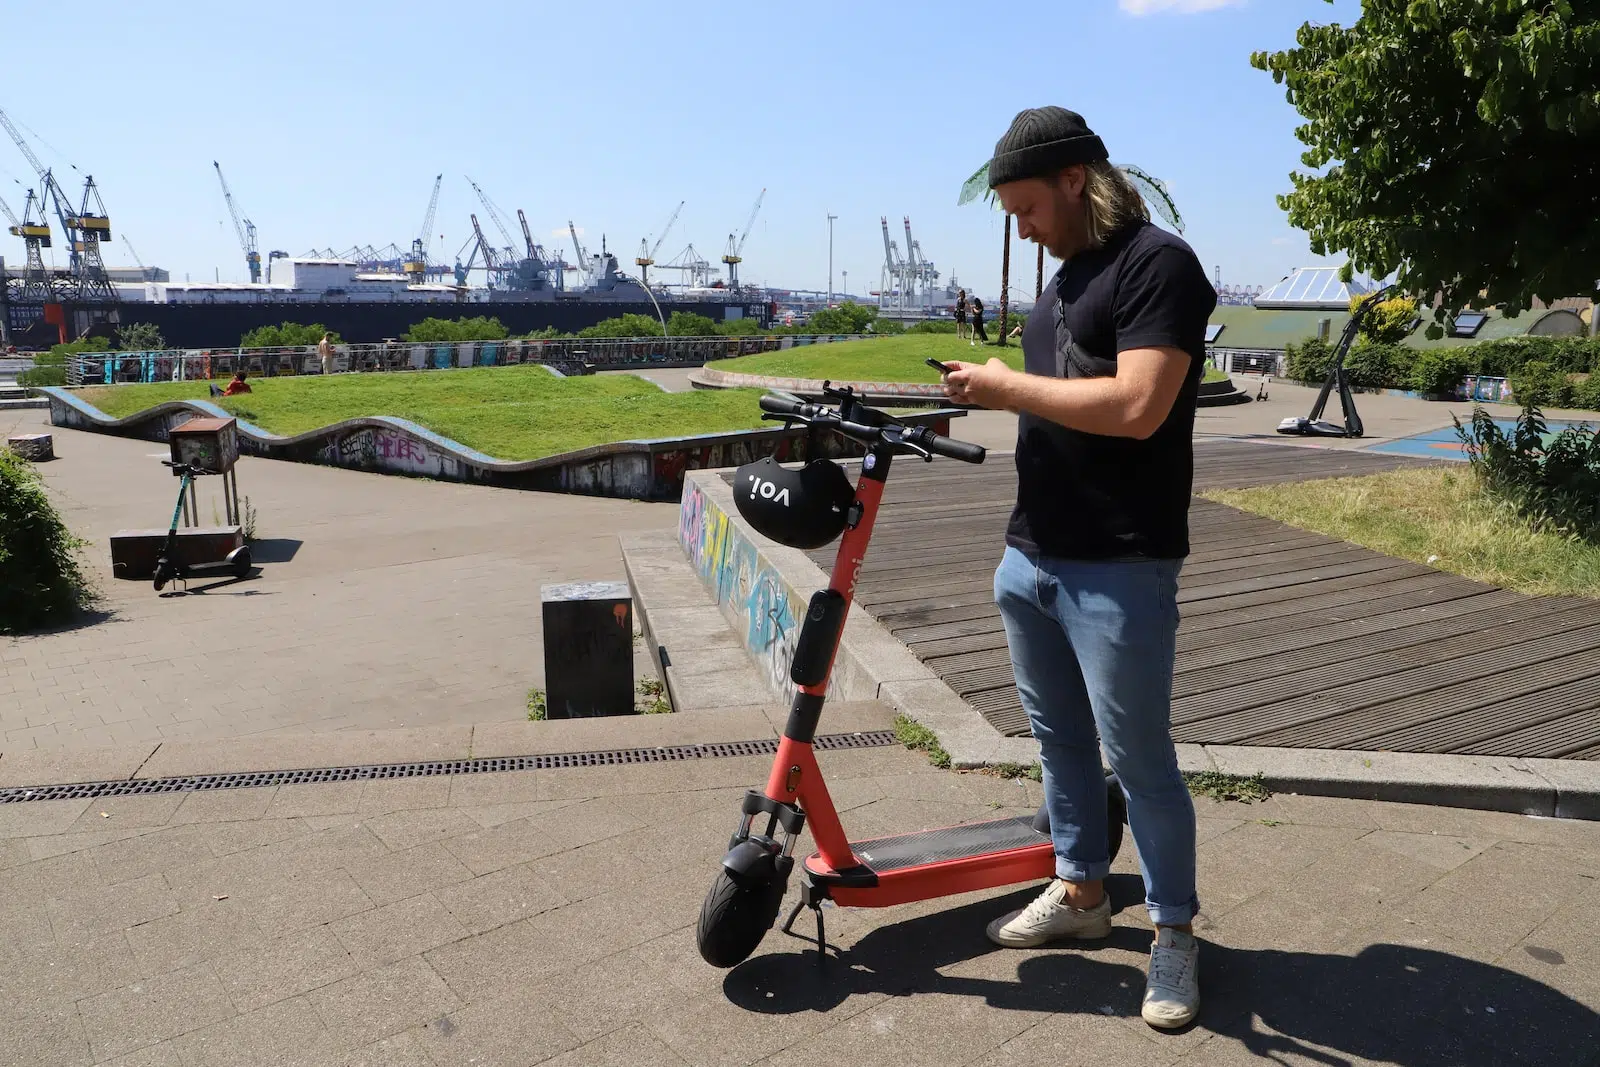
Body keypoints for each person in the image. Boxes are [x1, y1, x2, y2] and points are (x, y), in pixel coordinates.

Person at [938, 105, 1216, 1030]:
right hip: (1033, 556)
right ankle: (1083, 893)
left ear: (1072, 180)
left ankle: (1173, 933)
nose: (1020, 226)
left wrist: (1001, 384)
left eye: (1024, 206)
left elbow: (1139, 406)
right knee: (1059, 745)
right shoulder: (1059, 287)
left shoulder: (1159, 264)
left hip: (1122, 563)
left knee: (1141, 761)